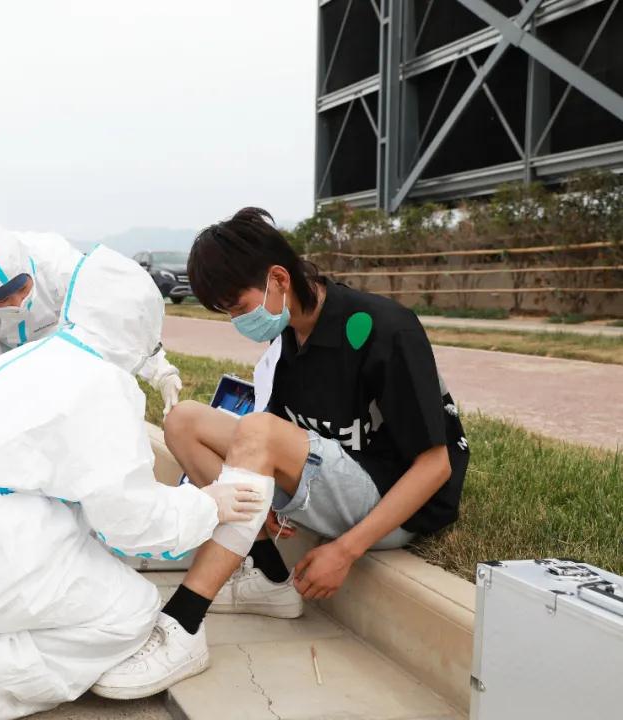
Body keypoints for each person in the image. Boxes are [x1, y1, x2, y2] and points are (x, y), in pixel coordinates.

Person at [95, 207, 469, 698]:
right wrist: (258, 499)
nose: (237, 321)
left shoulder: (383, 328)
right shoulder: (288, 338)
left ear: (278, 279)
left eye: (238, 306)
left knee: (259, 431)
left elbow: (435, 466)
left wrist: (345, 550)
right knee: (183, 420)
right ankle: (271, 578)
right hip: (334, 485)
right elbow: (279, 443)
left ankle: (183, 625)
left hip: (395, 503)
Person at [0, 245, 267, 718]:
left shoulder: (41, 357)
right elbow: (131, 521)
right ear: (143, 324)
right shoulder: (101, 386)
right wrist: (207, 506)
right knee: (132, 611)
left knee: (87, 573)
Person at [0, 214, 183, 415]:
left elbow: (113, 315)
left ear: (29, 267)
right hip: (2, 357)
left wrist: (159, 370)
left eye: (22, 288)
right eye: (3, 299)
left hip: (60, 340)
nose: (18, 303)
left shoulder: (55, 261)